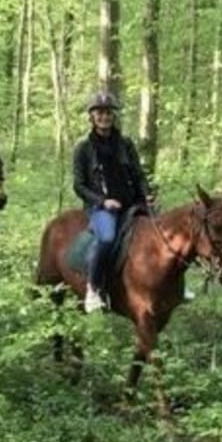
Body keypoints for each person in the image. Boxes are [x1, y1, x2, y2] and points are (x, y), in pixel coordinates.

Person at [72, 91, 150, 312]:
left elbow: (138, 174)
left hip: (132, 202)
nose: (104, 117)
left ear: (113, 116)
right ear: (92, 117)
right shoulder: (83, 149)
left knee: (161, 231)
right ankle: (93, 289)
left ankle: (174, 288)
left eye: (108, 113)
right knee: (106, 239)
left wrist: (146, 193)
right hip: (101, 207)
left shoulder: (125, 144)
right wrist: (103, 201)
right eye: (99, 113)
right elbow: (79, 185)